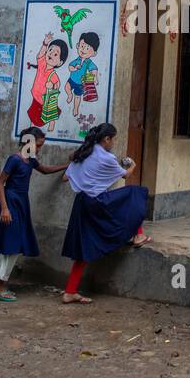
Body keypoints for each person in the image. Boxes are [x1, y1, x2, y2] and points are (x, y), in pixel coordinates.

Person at [60, 122, 150, 304]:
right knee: (134, 194)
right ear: (106, 139)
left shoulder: (84, 152)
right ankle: (138, 235)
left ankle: (70, 291)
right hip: (96, 202)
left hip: (81, 203)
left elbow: (65, 177)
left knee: (83, 248)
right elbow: (126, 175)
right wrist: (133, 164)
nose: (113, 143)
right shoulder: (106, 158)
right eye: (113, 139)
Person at [0, 128, 68, 302]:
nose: (39, 149)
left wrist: (67, 166)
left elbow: (45, 170)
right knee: (13, 246)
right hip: (10, 203)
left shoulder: (31, 160)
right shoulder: (14, 160)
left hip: (21, 204)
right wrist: (5, 208)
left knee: (10, 245)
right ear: (28, 142)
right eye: (38, 145)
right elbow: (1, 182)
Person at [25, 32, 67, 129]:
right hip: (36, 95)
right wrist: (45, 44)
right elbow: (40, 55)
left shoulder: (53, 75)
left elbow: (57, 86)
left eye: (56, 54)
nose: (51, 53)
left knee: (45, 114)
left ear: (60, 62)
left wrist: (52, 86)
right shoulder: (42, 63)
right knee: (33, 114)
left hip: (44, 100)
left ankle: (50, 123)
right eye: (50, 49)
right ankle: (33, 126)